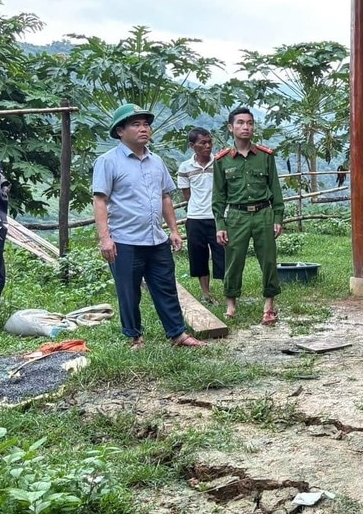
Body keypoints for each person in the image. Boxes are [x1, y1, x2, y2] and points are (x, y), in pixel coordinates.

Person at [92, 104, 203, 350]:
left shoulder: (157, 161)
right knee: (128, 291)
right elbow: (100, 200)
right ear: (120, 131)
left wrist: (173, 230)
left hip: (156, 238)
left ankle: (177, 334)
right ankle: (135, 337)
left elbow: (166, 196)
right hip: (124, 239)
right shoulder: (107, 162)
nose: (143, 129)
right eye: (136, 124)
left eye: (146, 124)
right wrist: (105, 238)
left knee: (166, 286)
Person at [213, 106, 284, 325]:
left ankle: (269, 305)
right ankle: (231, 304)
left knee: (269, 261)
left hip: (263, 213)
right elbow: (218, 197)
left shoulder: (265, 156)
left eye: (250, 123)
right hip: (236, 215)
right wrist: (220, 225)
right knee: (233, 261)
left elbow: (276, 189)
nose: (246, 127)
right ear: (230, 127)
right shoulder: (222, 160)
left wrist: (278, 218)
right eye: (241, 123)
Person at [177, 127, 224, 305]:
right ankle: (206, 293)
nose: (207, 145)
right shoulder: (185, 167)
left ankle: (229, 291)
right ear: (192, 146)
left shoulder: (219, 162)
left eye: (209, 142)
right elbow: (187, 194)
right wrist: (197, 207)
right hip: (195, 217)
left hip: (218, 216)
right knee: (198, 256)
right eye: (202, 143)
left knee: (223, 253)